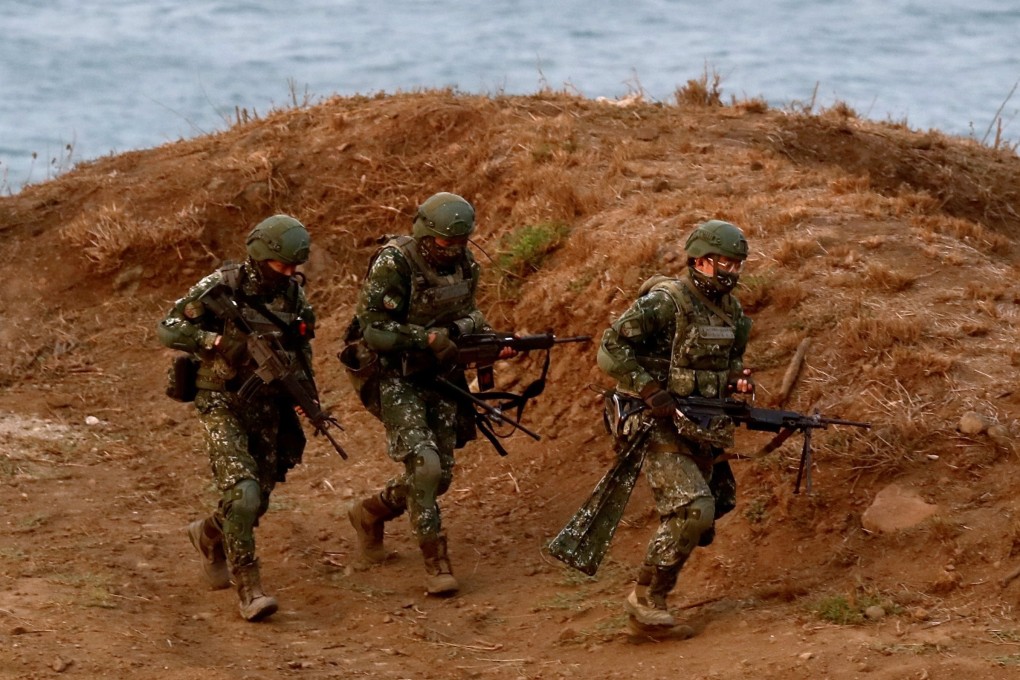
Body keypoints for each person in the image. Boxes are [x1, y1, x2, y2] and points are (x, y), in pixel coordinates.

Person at [344, 192, 510, 596]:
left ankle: (371, 511)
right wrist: (426, 338)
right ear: (424, 233)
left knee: (440, 477)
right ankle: (435, 559)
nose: (452, 250)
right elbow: (373, 329)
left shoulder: (466, 265)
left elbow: (470, 315)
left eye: (460, 242)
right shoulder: (394, 263)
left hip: (439, 374)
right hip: (393, 375)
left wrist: (486, 340)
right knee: (425, 465)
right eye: (444, 242)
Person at [596, 219, 754, 632]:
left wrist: (736, 381)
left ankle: (658, 580)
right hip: (654, 420)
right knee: (694, 510)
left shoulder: (732, 312)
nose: (732, 272)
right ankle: (647, 599)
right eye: (725, 263)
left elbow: (731, 360)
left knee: (719, 502)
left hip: (702, 422)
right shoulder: (666, 302)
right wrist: (649, 390)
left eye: (737, 264)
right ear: (700, 261)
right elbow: (611, 347)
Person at [157, 214, 316, 622]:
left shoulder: (293, 297)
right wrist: (213, 341)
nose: (289, 273)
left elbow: (301, 352)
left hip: (269, 405)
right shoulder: (223, 286)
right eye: (281, 265)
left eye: (294, 266)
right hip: (221, 399)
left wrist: (306, 397)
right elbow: (169, 327)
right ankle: (249, 588)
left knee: (255, 502)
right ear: (260, 255)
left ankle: (209, 534)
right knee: (243, 493)